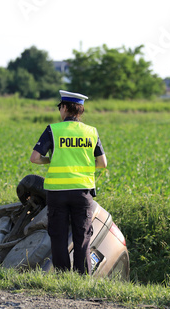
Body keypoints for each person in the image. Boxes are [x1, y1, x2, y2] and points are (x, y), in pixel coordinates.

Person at [30, 90, 107, 275]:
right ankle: (82, 279)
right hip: (82, 192)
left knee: (58, 237)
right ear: (80, 110)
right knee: (83, 237)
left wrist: (51, 160)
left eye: (60, 108)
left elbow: (35, 158)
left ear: (64, 107)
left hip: (57, 192)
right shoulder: (91, 132)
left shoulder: (53, 130)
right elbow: (103, 163)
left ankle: (63, 277)